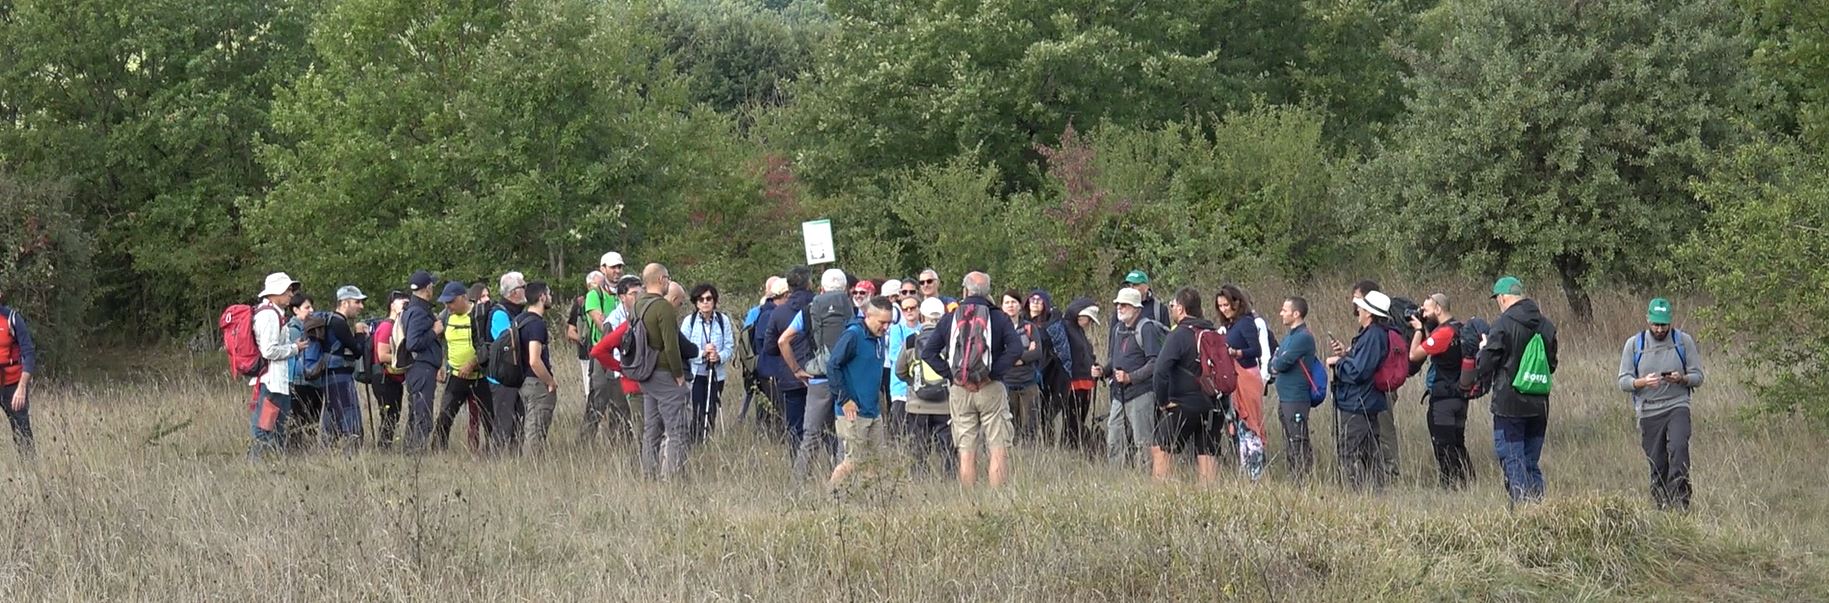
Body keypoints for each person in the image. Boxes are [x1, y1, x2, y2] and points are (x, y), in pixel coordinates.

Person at [920, 271, 1024, 488]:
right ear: (988, 292)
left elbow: (928, 353)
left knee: (966, 451)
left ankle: (969, 502)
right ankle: (997, 501)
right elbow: (1016, 348)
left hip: (960, 391)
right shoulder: (999, 317)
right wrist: (993, 374)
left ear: (964, 290)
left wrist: (955, 376)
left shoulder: (951, 317)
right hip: (991, 389)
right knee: (998, 448)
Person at [1469, 276, 1559, 504]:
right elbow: (1552, 365)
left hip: (1509, 405)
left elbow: (1485, 364)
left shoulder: (1503, 324)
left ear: (1502, 298)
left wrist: (1482, 349)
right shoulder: (1546, 325)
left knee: (1513, 460)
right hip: (1539, 405)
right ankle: (1540, 511)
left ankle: (1522, 514)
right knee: (1530, 461)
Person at [1618, 297, 1703, 510]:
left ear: (1671, 321)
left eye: (1663, 324)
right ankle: (1661, 505)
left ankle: (1680, 503)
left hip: (1677, 404)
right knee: (1657, 462)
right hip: (1648, 410)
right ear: (1647, 319)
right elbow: (1623, 381)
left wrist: (1681, 379)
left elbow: (1698, 376)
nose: (1659, 329)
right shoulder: (1634, 345)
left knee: (1679, 448)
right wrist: (1642, 382)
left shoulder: (1683, 341)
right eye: (1655, 324)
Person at [782, 268, 851, 481]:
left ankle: (798, 484)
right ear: (846, 289)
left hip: (818, 378)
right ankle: (840, 486)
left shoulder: (808, 311)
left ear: (820, 289)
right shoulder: (853, 309)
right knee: (844, 436)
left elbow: (783, 341)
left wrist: (797, 370)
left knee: (811, 434)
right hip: (846, 379)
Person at [1149, 288, 1221, 483]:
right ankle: (1211, 501)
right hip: (1213, 404)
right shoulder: (1212, 331)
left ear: (1181, 309)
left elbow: (1160, 371)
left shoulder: (1179, 334)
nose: (1171, 309)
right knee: (1207, 453)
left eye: (1172, 306)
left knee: (1161, 448)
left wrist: (1163, 401)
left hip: (1182, 404)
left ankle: (1162, 499)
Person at [1326, 290, 1396, 490]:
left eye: (1361, 307)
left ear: (1369, 313)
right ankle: (1377, 493)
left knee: (1348, 450)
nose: (1358, 310)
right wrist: (1347, 354)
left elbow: (1360, 371)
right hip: (1364, 400)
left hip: (1359, 402)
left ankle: (1355, 493)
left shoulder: (1373, 335)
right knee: (1369, 451)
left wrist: (1338, 363)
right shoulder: (1372, 334)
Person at [1406, 294, 1476, 489]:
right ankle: (1468, 484)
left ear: (1438, 309)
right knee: (1458, 443)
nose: (1423, 314)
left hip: (1443, 400)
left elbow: (1413, 355)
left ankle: (1450, 487)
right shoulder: (1459, 329)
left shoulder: (1444, 333)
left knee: (1444, 446)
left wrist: (1419, 330)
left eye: (1426, 310)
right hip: (1460, 397)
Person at [825, 297, 893, 491]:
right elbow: (833, 366)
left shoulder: (878, 337)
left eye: (888, 322)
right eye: (882, 322)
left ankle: (869, 500)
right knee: (853, 461)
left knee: (875, 462)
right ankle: (830, 495)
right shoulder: (852, 336)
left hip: (873, 410)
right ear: (868, 315)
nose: (886, 327)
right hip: (852, 412)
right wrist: (844, 399)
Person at [634, 263, 691, 479]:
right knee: (677, 430)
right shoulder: (663, 307)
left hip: (645, 373)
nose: (669, 281)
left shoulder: (638, 305)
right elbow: (671, 345)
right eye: (667, 277)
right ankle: (673, 478)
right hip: (664, 373)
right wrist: (679, 375)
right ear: (661, 280)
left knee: (651, 430)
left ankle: (648, 475)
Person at [1099, 287, 1164, 469]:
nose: (1120, 307)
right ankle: (1116, 477)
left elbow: (1154, 362)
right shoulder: (1118, 329)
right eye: (1118, 304)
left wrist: (1130, 377)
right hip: (1119, 394)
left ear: (1137, 308)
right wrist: (1103, 371)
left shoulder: (1147, 328)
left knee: (1142, 441)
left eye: (1125, 305)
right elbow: (1114, 359)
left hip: (1141, 393)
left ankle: (1145, 479)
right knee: (1114, 438)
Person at [895, 298, 955, 476]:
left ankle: (920, 480)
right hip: (945, 404)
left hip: (917, 404)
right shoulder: (949, 340)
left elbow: (900, 371)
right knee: (948, 448)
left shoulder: (911, 341)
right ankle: (950, 480)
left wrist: (914, 383)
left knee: (918, 447)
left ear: (922, 316)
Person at [250, 273, 308, 457]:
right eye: (288, 290)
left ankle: (270, 465)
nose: (291, 294)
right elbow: (269, 351)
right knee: (265, 430)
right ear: (275, 293)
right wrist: (294, 348)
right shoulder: (268, 315)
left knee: (277, 430)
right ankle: (257, 465)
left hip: (277, 382)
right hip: (272, 382)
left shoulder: (273, 313)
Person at [1215, 285, 1269, 479]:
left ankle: (1256, 474)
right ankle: (1247, 472)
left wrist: (1235, 353)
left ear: (1236, 303)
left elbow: (1256, 350)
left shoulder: (1246, 323)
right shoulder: (1230, 325)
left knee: (1251, 426)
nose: (1223, 309)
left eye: (1226, 305)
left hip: (1247, 375)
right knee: (1240, 427)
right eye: (1220, 306)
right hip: (1235, 380)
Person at [1350, 280, 1401, 482]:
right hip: (1376, 387)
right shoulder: (1370, 330)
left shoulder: (1378, 331)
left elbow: (1366, 366)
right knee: (1375, 431)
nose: (1355, 304)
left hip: (1382, 387)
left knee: (1384, 429)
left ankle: (1391, 473)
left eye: (1358, 299)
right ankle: (1379, 474)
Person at [433, 282, 492, 453]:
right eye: (445, 302)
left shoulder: (479, 314)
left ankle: (494, 452)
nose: (448, 305)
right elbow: (436, 340)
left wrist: (473, 362)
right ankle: (438, 451)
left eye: (451, 302)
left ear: (463, 298)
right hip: (456, 375)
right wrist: (439, 365)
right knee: (444, 417)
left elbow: (488, 344)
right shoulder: (446, 316)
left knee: (490, 418)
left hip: (479, 376)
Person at [581, 254, 631, 447]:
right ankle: (585, 444)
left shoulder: (626, 292)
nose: (617, 271)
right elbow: (603, 324)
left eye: (619, 267)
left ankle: (621, 444)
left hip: (623, 354)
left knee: (621, 401)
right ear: (603, 269)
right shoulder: (595, 295)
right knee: (598, 399)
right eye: (613, 267)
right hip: (602, 355)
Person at [766, 267, 815, 459]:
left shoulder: (779, 313)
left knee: (795, 426)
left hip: (790, 376)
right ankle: (829, 467)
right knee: (826, 426)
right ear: (809, 283)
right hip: (819, 375)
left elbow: (770, 347)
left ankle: (798, 467)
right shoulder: (820, 307)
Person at [1269, 297, 1319, 480]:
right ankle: (1294, 476)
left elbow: (1281, 362)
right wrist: (1275, 362)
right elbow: (1273, 362)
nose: (1281, 313)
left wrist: (1277, 362)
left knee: (1298, 440)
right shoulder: (1289, 337)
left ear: (1296, 314)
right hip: (1285, 398)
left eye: (1285, 310)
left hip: (1296, 398)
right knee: (1289, 440)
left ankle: (1303, 479)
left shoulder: (1303, 337)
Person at [398, 270, 444, 452]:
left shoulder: (413, 308)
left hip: (420, 368)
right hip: (421, 368)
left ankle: (411, 450)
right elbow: (413, 343)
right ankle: (416, 452)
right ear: (428, 288)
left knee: (417, 411)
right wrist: (435, 331)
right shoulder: (418, 311)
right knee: (422, 413)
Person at [683, 283, 734, 445]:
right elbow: (683, 348)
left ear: (714, 301)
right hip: (696, 374)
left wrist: (718, 356)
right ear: (696, 302)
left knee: (711, 409)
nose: (705, 302)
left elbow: (729, 346)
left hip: (716, 374)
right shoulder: (689, 322)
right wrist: (702, 353)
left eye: (709, 298)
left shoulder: (722, 320)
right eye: (701, 299)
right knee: (696, 410)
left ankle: (708, 441)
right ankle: (695, 442)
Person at [322, 286, 370, 450]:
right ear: (344, 303)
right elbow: (357, 351)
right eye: (357, 302)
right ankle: (352, 455)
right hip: (340, 377)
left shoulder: (331, 320)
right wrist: (360, 334)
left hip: (331, 376)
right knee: (351, 419)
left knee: (332, 417)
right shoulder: (338, 323)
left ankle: (325, 452)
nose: (361, 307)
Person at [516, 282, 561, 454]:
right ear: (542, 297)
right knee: (535, 432)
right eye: (548, 293)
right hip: (536, 384)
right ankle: (531, 468)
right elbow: (534, 360)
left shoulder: (520, 319)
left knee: (530, 427)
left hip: (523, 381)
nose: (550, 297)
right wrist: (550, 382)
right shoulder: (536, 324)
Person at [486, 272, 528, 453]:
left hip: (514, 376)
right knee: (504, 422)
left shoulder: (514, 312)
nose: (526, 290)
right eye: (523, 287)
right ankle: (497, 460)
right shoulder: (499, 314)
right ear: (513, 292)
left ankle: (514, 458)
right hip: (503, 378)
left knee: (518, 419)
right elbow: (507, 342)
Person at [1000, 290, 1045, 444]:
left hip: (1028, 384)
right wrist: (1024, 353)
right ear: (1002, 306)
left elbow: (1038, 352)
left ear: (1020, 306)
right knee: (1009, 428)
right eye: (1007, 302)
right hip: (1006, 384)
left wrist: (1016, 357)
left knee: (1030, 428)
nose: (1010, 305)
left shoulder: (1030, 327)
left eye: (1014, 302)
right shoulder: (998, 329)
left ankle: (1028, 462)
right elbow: (998, 354)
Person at [284, 294, 327, 450]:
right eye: (306, 307)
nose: (311, 310)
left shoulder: (315, 327)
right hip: (298, 381)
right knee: (297, 421)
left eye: (311, 307)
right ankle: (294, 452)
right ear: (295, 310)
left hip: (315, 380)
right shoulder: (292, 330)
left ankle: (308, 452)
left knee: (313, 421)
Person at [1060, 297, 1101, 454]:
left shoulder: (1079, 332)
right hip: (1073, 383)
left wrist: (1095, 365)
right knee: (1072, 420)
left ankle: (1076, 448)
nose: (1089, 323)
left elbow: (1086, 355)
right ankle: (1070, 449)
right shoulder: (1066, 329)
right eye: (1088, 319)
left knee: (1079, 420)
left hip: (1086, 383)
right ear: (1080, 316)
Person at [0, 296, 39, 459]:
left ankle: (29, 473)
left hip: (12, 383)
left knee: (22, 430)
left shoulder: (12, 318)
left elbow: (28, 354)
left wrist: (21, 388)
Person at [371, 291, 409, 449]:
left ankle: (384, 447)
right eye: (402, 303)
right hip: (385, 378)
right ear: (392, 306)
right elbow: (382, 355)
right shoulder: (387, 326)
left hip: (393, 378)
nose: (406, 306)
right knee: (389, 416)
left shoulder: (398, 326)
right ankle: (383, 448)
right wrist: (405, 358)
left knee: (393, 415)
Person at [885, 293, 925, 436]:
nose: (909, 311)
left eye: (912, 308)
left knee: (919, 432)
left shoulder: (925, 329)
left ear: (919, 309)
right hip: (900, 388)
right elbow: (894, 356)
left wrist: (907, 352)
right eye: (905, 309)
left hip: (920, 388)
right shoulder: (897, 329)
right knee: (899, 430)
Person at [568, 270, 606, 404]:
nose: (602, 287)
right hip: (587, 353)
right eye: (599, 284)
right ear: (589, 285)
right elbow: (570, 331)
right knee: (591, 388)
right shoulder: (580, 304)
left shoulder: (608, 299)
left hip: (604, 350)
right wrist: (583, 339)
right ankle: (595, 420)